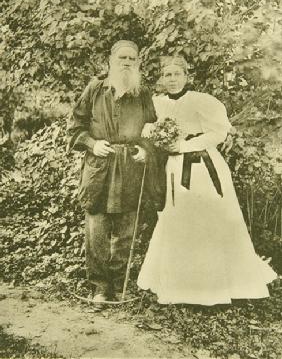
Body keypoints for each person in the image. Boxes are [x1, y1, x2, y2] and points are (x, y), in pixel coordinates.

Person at [137, 55, 277, 305]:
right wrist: (152, 135)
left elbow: (218, 133)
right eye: (167, 75)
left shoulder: (202, 101)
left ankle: (217, 287)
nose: (172, 80)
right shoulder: (156, 103)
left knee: (209, 221)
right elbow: (145, 126)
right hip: (172, 168)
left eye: (176, 74)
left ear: (186, 77)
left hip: (201, 167)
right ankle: (181, 286)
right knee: (178, 220)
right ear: (161, 78)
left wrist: (184, 145)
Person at [67, 40, 157, 302]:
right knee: (97, 228)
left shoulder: (143, 94)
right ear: (111, 61)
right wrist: (93, 144)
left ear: (138, 62)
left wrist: (146, 150)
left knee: (126, 229)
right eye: (122, 58)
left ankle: (119, 285)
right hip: (99, 167)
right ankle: (98, 287)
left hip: (130, 166)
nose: (127, 63)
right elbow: (75, 127)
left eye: (132, 58)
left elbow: (154, 129)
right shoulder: (95, 89)